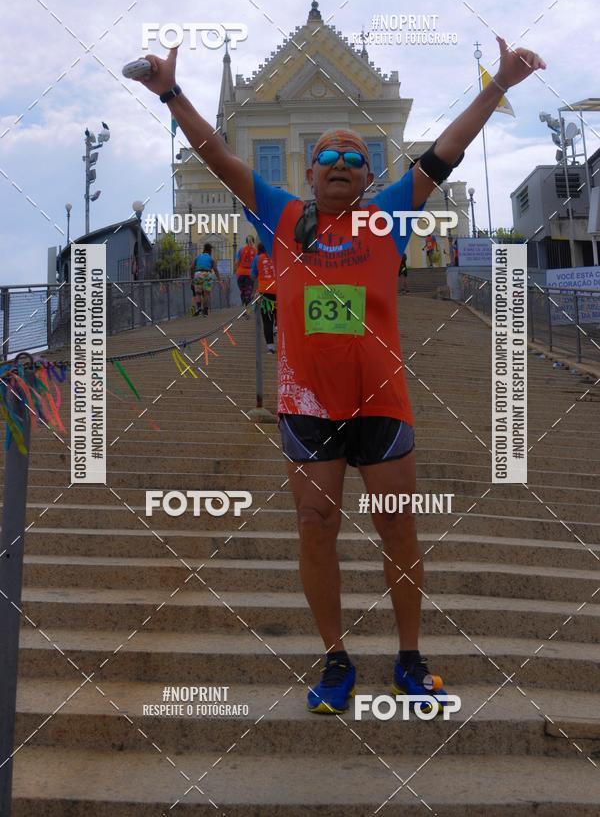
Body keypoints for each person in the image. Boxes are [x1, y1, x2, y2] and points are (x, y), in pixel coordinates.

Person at [134, 35, 546, 715]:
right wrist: (171, 93)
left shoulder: (387, 217)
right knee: (315, 521)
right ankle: (335, 657)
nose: (340, 163)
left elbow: (446, 149)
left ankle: (410, 658)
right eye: (326, 155)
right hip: (307, 405)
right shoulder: (283, 216)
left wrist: (498, 84)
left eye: (356, 157)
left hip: (383, 404)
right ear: (307, 173)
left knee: (399, 529)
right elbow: (217, 155)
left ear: (367, 175)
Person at [251, 242, 277, 353]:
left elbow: (253, 275)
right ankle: (278, 330)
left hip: (264, 292)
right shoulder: (277, 255)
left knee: (267, 320)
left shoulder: (257, 258)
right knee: (280, 317)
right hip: (279, 290)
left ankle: (270, 348)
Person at [191, 242, 219, 317]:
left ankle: (199, 308)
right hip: (207, 274)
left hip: (198, 274)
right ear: (210, 251)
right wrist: (219, 279)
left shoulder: (198, 257)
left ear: (203, 249)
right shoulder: (211, 258)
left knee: (198, 293)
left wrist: (192, 278)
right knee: (206, 293)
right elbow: (215, 269)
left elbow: (192, 267)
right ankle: (205, 311)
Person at [236, 235, 257, 317]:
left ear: (245, 241)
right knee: (249, 292)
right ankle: (247, 310)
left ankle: (245, 308)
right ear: (253, 241)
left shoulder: (241, 250)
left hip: (240, 274)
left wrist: (237, 271)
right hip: (250, 274)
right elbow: (256, 264)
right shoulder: (255, 251)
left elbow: (237, 262)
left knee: (243, 292)